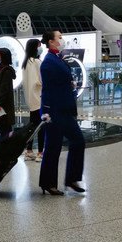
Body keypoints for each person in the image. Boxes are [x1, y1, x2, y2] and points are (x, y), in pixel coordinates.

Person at [39, 30, 86, 196]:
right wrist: (45, 111)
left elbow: (59, 83)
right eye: (59, 37)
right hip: (55, 112)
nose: (62, 39)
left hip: (64, 109)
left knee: (75, 141)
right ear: (51, 41)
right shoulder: (48, 62)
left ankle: (70, 179)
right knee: (54, 146)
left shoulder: (57, 58)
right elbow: (46, 89)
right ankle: (50, 183)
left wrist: (69, 84)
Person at [22, 39, 44, 162]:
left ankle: (29, 151)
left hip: (30, 99)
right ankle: (40, 152)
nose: (41, 48)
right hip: (39, 99)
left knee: (32, 126)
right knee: (41, 127)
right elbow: (40, 80)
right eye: (39, 46)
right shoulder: (37, 62)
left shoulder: (26, 63)